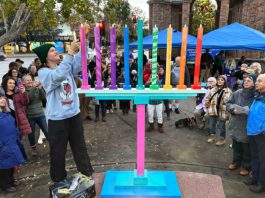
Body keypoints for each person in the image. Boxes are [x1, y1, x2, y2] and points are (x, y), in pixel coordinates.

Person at [33, 42, 94, 183]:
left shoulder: (65, 67)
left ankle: (87, 174)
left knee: (80, 147)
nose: (55, 52)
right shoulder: (44, 73)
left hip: (74, 116)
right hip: (57, 119)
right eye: (52, 51)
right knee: (57, 152)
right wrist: (70, 53)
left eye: (55, 50)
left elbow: (78, 63)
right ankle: (58, 180)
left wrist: (82, 45)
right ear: (45, 57)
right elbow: (58, 76)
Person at [226, 74, 256, 176]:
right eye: (245, 80)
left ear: (254, 83)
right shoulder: (237, 93)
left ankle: (246, 166)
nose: (246, 82)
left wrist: (248, 112)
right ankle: (236, 162)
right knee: (236, 145)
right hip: (236, 123)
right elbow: (228, 103)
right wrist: (232, 109)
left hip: (248, 125)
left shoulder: (256, 95)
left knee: (246, 147)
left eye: (249, 80)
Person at [0, 92, 25, 193]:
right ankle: (5, 186)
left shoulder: (6, 112)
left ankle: (11, 181)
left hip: (12, 142)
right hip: (3, 145)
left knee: (12, 164)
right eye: (0, 99)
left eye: (3, 98)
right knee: (4, 166)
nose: (2, 100)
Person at [244, 74, 265, 193]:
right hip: (252, 131)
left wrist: (262, 129)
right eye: (256, 80)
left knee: (263, 160)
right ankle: (255, 178)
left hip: (261, 134)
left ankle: (262, 184)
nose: (256, 83)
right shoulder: (259, 95)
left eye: (260, 81)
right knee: (255, 157)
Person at [23, 75, 48, 156]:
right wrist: (34, 87)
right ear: (23, 82)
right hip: (30, 116)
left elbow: (43, 97)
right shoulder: (23, 91)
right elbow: (28, 100)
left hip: (40, 113)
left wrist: (40, 89)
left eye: (30, 80)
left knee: (47, 131)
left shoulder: (36, 88)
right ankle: (33, 148)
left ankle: (54, 146)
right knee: (31, 133)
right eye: (27, 80)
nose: (30, 81)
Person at [205, 75, 232, 146]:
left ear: (225, 81)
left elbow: (230, 103)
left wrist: (228, 112)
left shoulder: (228, 91)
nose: (220, 81)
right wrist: (208, 106)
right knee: (212, 124)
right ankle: (212, 135)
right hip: (213, 110)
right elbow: (207, 98)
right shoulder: (213, 89)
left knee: (222, 126)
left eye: (222, 80)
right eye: (218, 79)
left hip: (223, 111)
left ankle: (222, 139)